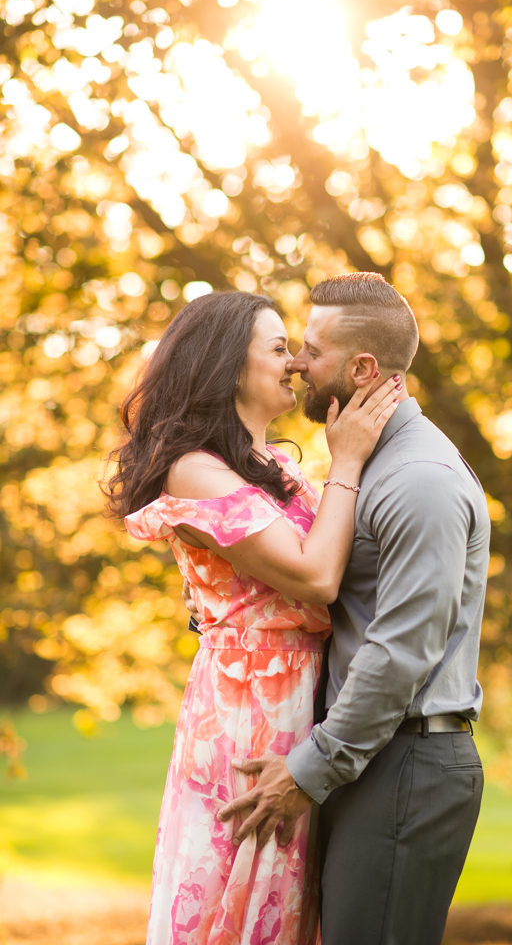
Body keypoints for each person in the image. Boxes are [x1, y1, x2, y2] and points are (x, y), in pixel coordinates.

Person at [105, 289, 400, 945]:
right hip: (253, 711)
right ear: (226, 367)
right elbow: (317, 576)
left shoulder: (275, 469)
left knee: (288, 901)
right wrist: (348, 457)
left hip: (302, 700)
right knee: (245, 896)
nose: (296, 362)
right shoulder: (194, 471)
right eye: (277, 348)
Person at [215, 272, 491, 945]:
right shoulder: (365, 462)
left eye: (310, 349)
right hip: (373, 757)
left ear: (363, 368)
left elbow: (400, 652)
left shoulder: (417, 479)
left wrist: (308, 772)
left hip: (405, 764)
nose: (297, 363)